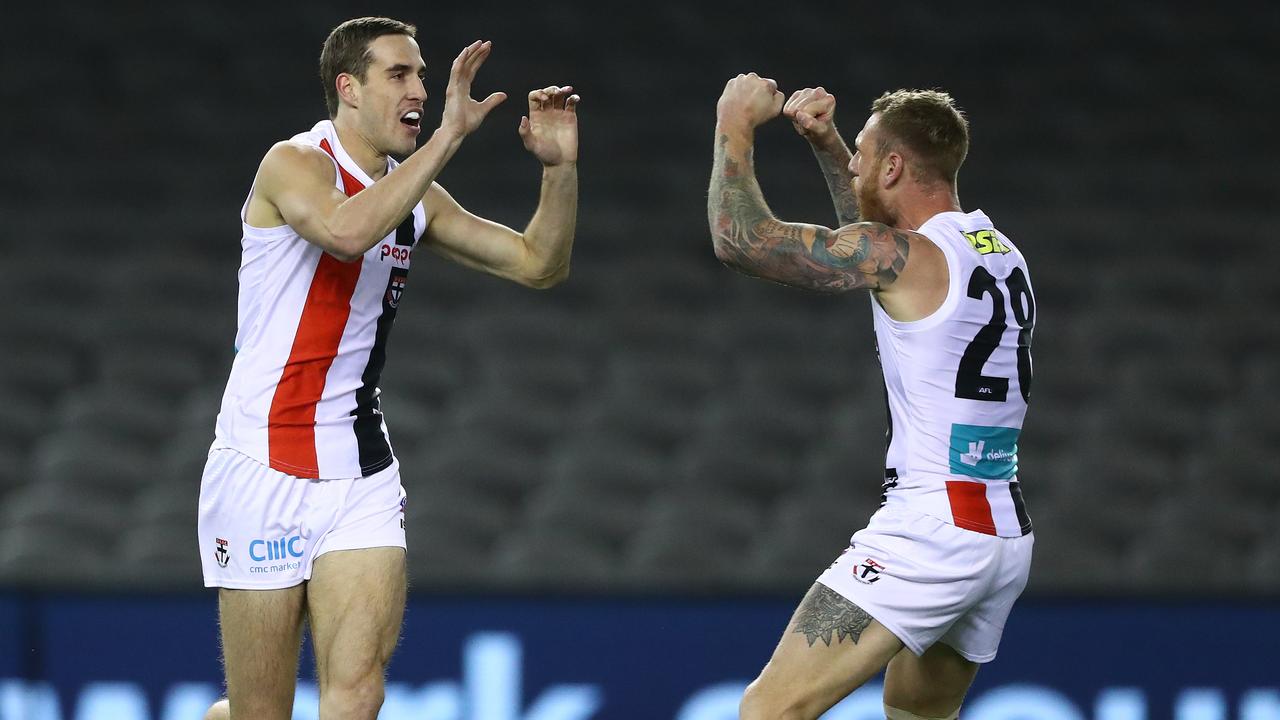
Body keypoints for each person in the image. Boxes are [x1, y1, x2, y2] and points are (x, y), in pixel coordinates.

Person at [197, 17, 579, 720]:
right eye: (399, 75)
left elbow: (539, 263)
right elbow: (345, 233)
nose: (421, 90)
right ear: (348, 88)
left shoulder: (414, 197)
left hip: (360, 469)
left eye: (424, 76)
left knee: (359, 692)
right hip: (262, 462)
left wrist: (558, 170)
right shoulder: (293, 164)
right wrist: (449, 137)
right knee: (260, 713)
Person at [708, 76, 1035, 720]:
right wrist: (830, 145)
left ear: (892, 165)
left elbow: (739, 241)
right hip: (1000, 528)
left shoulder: (907, 258)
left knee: (768, 711)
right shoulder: (998, 254)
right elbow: (879, 250)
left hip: (932, 527)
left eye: (861, 153)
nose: (852, 164)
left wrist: (734, 124)